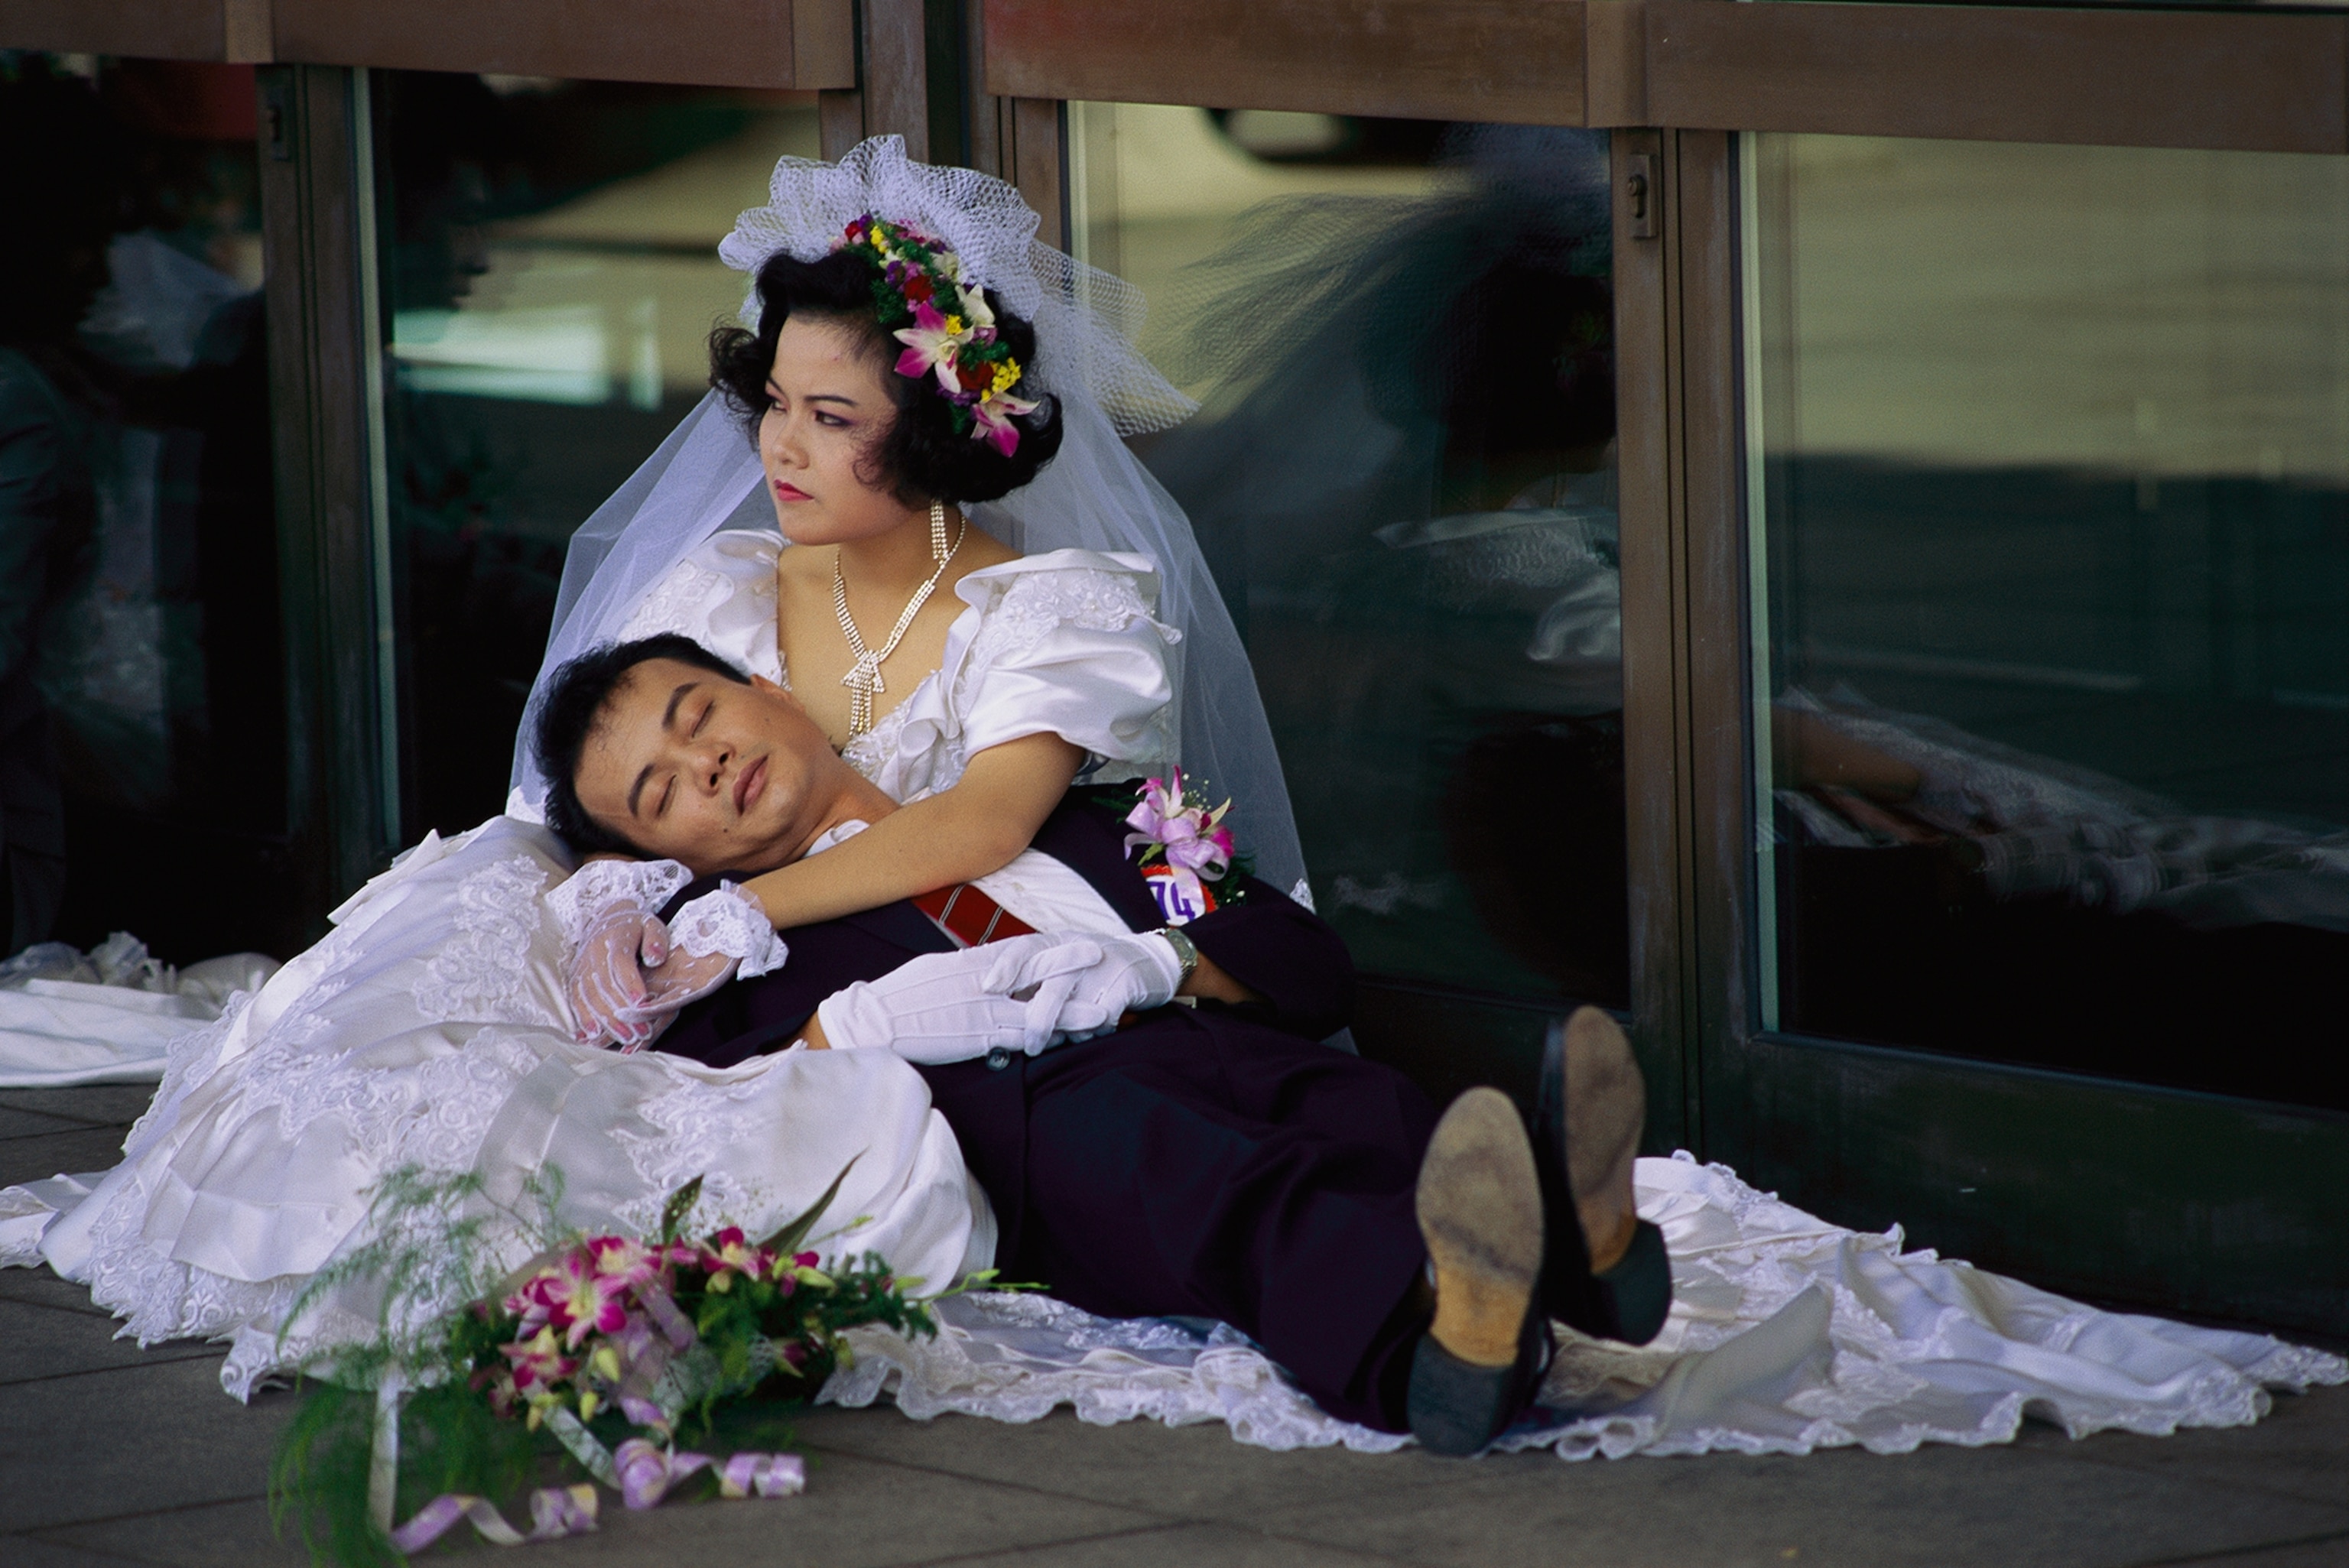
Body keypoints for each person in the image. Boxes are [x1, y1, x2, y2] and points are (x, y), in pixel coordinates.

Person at [529, 630, 1672, 1451]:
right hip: (1041, 1123)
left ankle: (1576, 1260)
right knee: (1191, 1161)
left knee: (1369, 1112)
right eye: (662, 791)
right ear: (659, 857)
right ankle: (1425, 1359)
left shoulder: (1094, 822)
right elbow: (776, 1101)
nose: (708, 766)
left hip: (1212, 1033)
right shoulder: (743, 960)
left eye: (700, 719)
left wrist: (1160, 960)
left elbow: (1301, 960)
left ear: (767, 686)